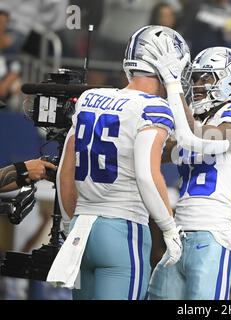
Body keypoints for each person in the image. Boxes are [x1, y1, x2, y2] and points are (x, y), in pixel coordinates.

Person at [53, 26, 189, 300]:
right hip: (123, 231)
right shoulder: (154, 107)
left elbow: (64, 174)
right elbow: (146, 174)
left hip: (83, 228)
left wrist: (69, 224)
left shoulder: (89, 98)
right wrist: (169, 228)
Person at [149, 46, 231, 300]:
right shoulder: (199, 122)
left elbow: (199, 140)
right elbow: (157, 150)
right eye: (195, 78)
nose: (198, 85)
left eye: (206, 77)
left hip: (211, 236)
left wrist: (173, 87)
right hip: (177, 234)